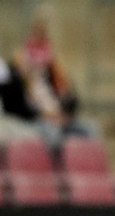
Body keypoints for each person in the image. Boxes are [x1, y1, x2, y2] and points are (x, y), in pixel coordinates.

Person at [12, 15, 94, 144]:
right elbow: (23, 109)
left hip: (61, 118)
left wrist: (64, 113)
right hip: (36, 121)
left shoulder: (54, 75)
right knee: (53, 135)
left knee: (90, 129)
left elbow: (72, 101)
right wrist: (48, 115)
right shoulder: (18, 78)